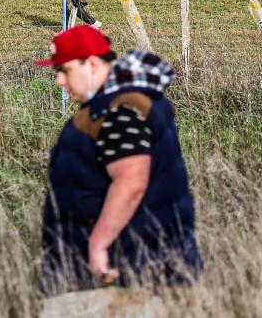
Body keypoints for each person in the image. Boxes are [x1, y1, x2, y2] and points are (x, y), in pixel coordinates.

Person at [38, 25, 202, 292]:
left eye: (64, 71)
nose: (60, 81)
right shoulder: (125, 100)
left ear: (91, 64)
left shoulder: (120, 109)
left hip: (131, 264)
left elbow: (131, 181)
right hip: (141, 256)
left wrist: (98, 244)